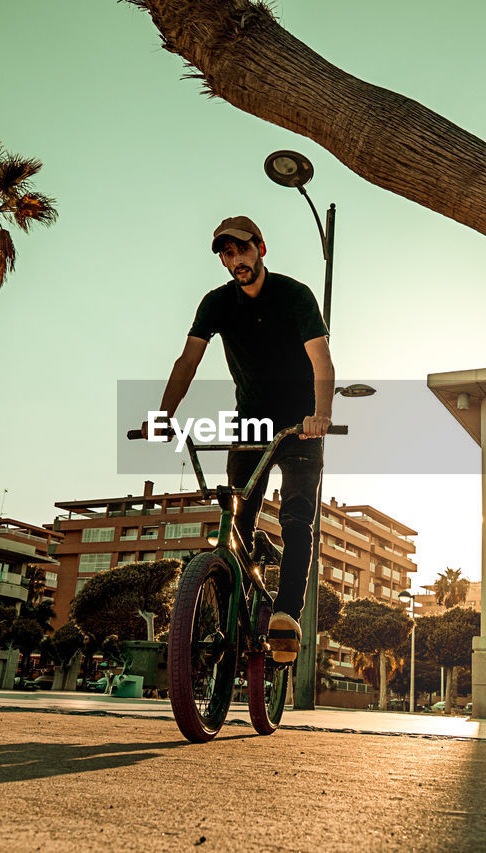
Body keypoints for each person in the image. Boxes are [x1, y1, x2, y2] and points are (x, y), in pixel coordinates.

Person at [140, 215, 334, 663]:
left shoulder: (294, 295)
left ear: (260, 249)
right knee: (236, 517)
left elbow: (322, 360)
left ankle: (286, 616)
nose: (235, 260)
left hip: (300, 424)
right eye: (227, 254)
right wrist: (163, 415)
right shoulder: (217, 303)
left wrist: (321, 415)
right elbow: (188, 360)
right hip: (251, 421)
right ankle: (233, 615)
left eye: (242, 250)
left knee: (297, 518)